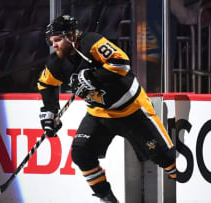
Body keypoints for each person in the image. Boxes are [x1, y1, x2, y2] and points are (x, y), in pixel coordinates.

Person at [37, 15, 176, 203]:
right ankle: (107, 199)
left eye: (58, 40)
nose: (54, 45)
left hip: (132, 109)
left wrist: (94, 76)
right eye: (52, 41)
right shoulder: (56, 62)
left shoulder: (92, 42)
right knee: (81, 153)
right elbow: (46, 84)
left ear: (72, 35)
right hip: (99, 114)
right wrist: (50, 112)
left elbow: (122, 63)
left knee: (165, 157)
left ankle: (192, 191)